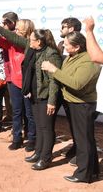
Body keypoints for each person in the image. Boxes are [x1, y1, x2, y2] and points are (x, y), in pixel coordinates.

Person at [0, 24, 62, 170]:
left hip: (46, 96)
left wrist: (51, 102)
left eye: (32, 40)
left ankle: (45, 158)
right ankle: (38, 152)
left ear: (39, 42)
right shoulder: (32, 48)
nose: (29, 41)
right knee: (39, 126)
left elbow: (54, 80)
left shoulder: (51, 54)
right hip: (34, 94)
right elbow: (14, 38)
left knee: (46, 128)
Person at [41, 32, 101, 183]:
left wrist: (54, 70)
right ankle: (92, 171)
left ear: (77, 47)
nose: (64, 46)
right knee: (85, 139)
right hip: (74, 103)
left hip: (82, 105)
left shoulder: (88, 61)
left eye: (67, 44)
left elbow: (76, 83)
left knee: (83, 141)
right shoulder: (74, 57)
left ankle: (83, 174)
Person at [0, 19, 37, 151]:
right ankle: (17, 138)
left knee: (29, 114)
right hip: (14, 82)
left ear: (27, 30)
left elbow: (16, 40)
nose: (16, 30)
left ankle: (31, 138)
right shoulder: (11, 42)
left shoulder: (30, 43)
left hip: (27, 83)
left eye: (20, 28)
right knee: (17, 112)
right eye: (17, 28)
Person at [56, 17, 81, 162]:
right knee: (71, 122)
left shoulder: (81, 44)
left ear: (71, 29)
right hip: (61, 89)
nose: (61, 29)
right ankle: (76, 146)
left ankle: (81, 151)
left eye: (63, 26)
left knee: (78, 123)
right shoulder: (60, 44)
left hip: (74, 91)